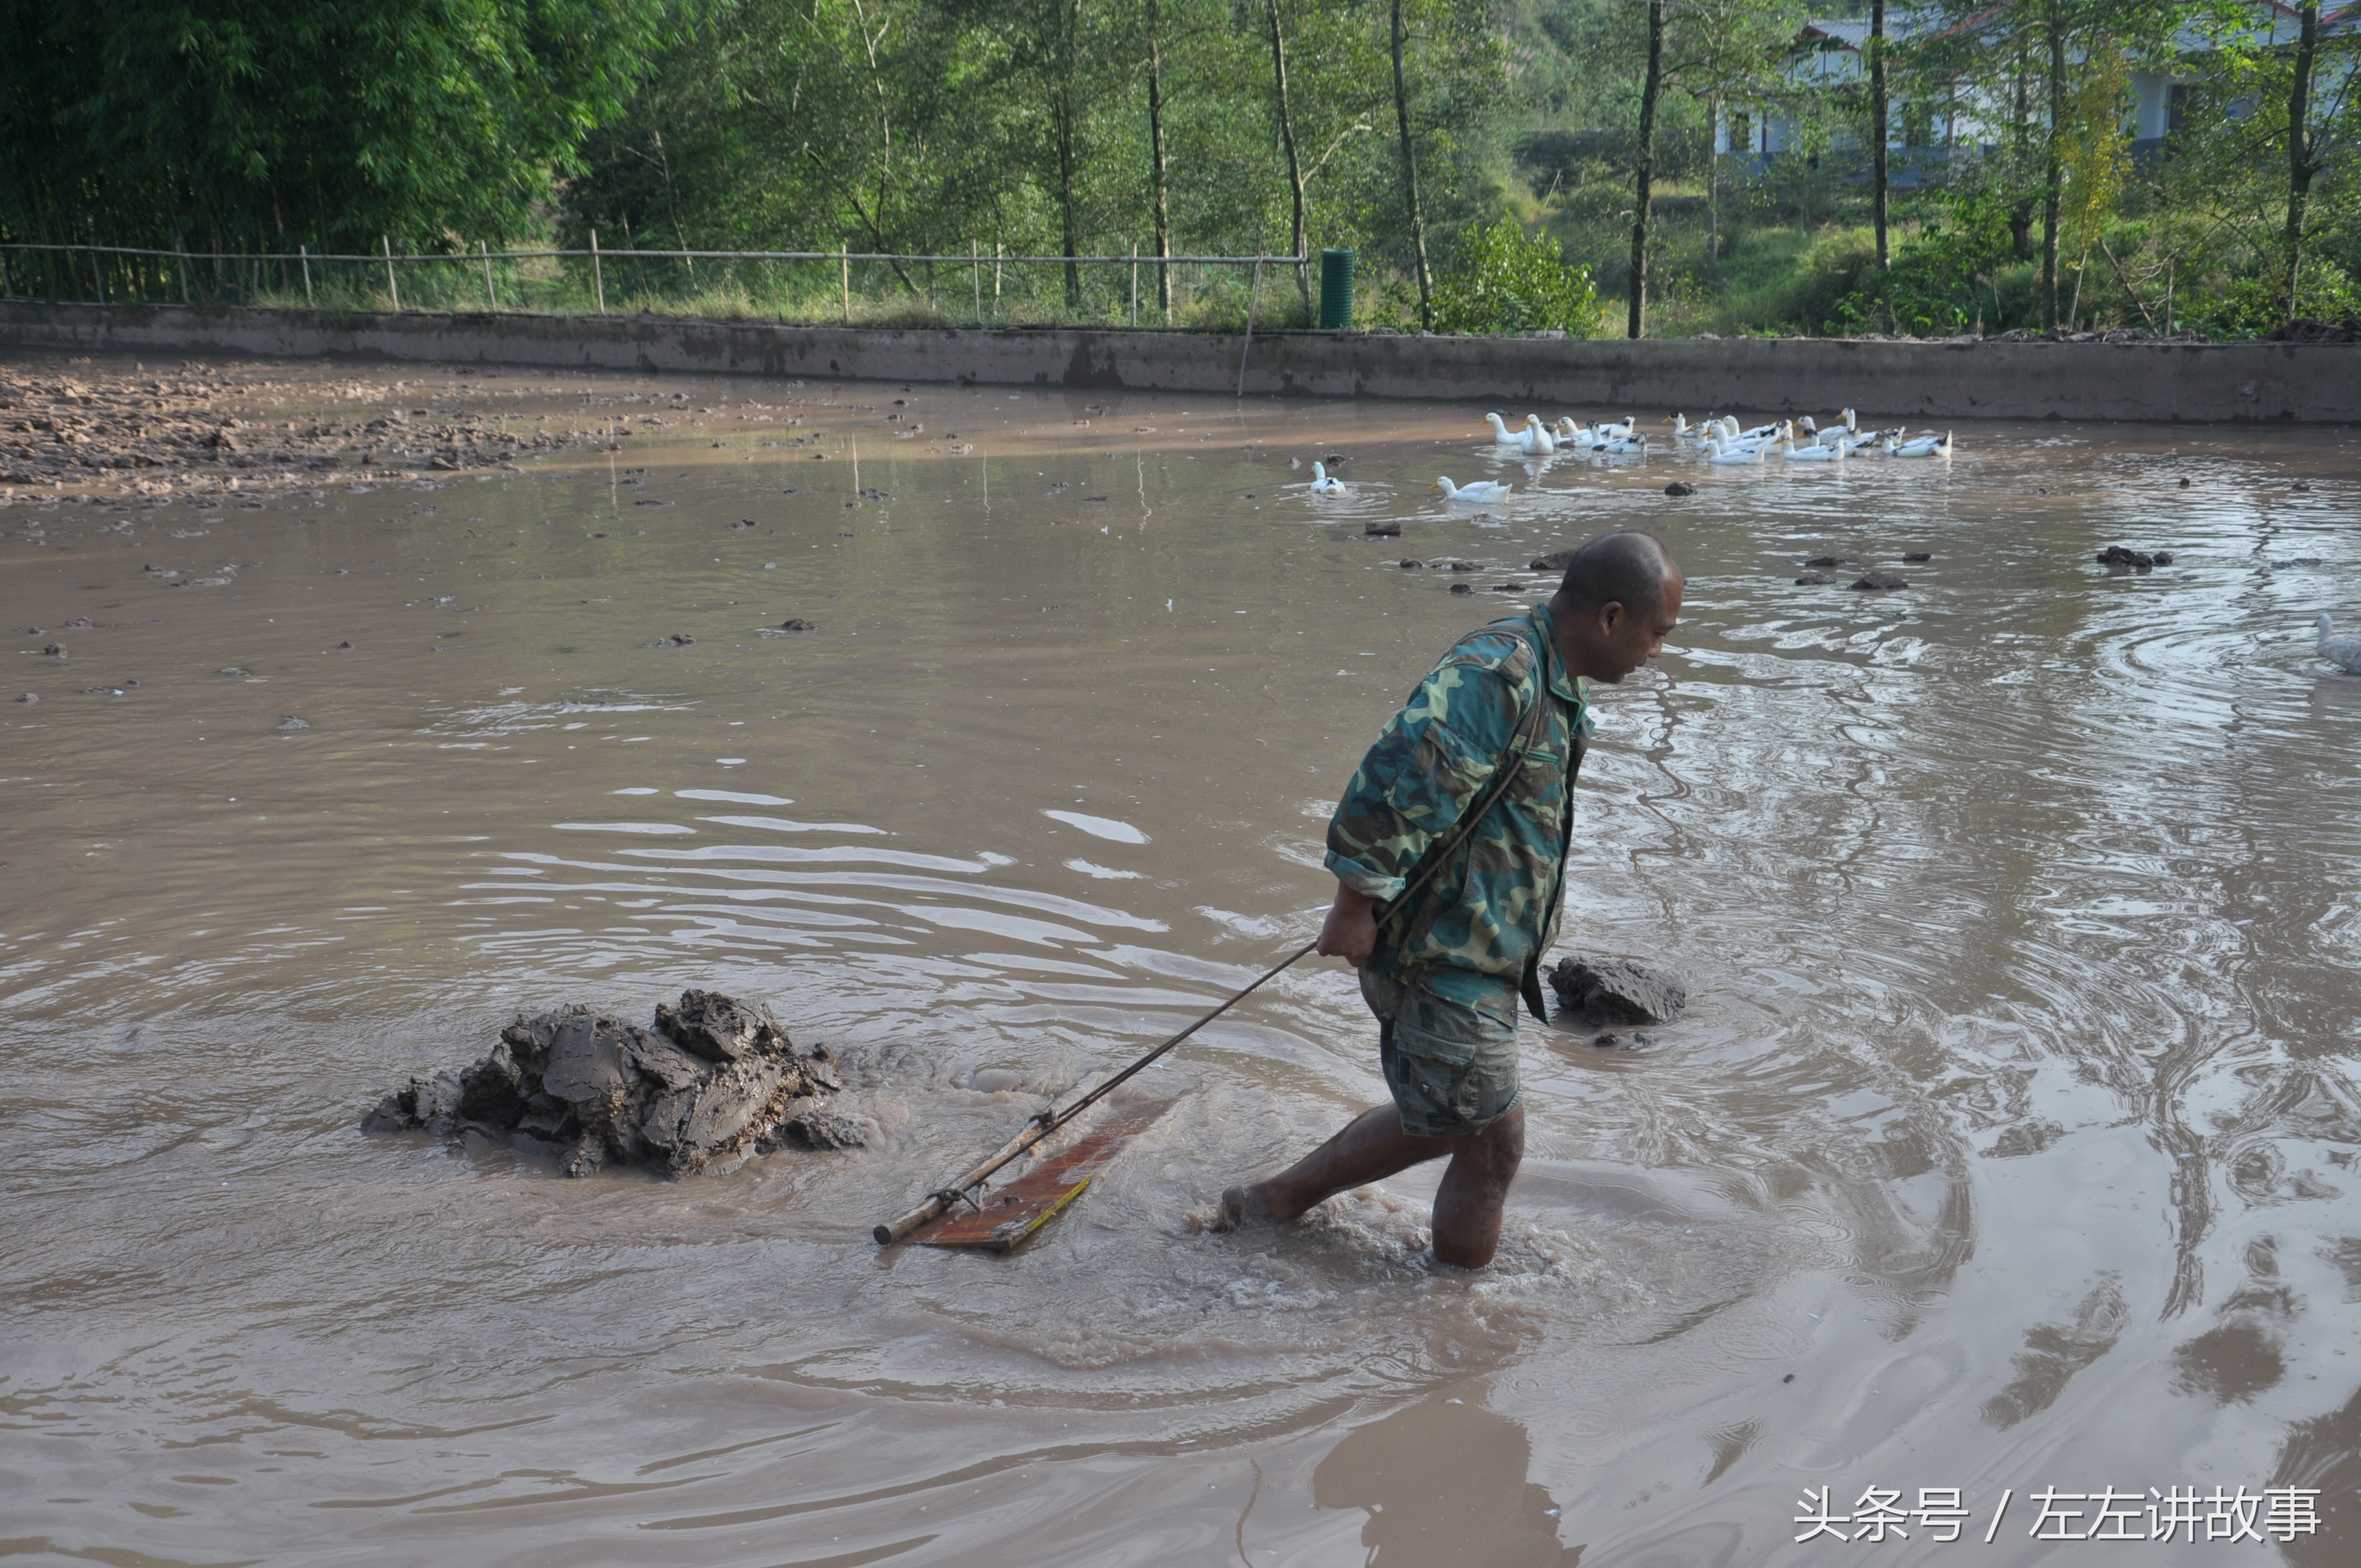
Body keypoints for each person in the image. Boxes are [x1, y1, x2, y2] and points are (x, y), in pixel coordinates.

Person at [1216, 530, 1683, 1268]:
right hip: (1440, 954)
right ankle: (1461, 1339)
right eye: (1659, 633)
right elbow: (1392, 780)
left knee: (1444, 1120)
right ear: (1612, 619)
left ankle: (1273, 1202)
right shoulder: (1498, 677)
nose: (1659, 651)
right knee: (1494, 1144)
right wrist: (1352, 905)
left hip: (1475, 950)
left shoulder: (1548, 678)